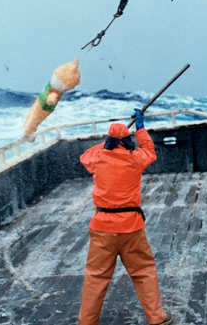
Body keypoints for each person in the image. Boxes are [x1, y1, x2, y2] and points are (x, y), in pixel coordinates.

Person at [78, 109, 172, 325]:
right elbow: (150, 150)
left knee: (96, 277)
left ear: (109, 141)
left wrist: (107, 143)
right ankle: (157, 318)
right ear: (126, 141)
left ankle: (86, 322)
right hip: (132, 227)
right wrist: (140, 129)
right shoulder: (135, 159)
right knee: (143, 271)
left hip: (102, 228)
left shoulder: (98, 159)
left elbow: (85, 156)